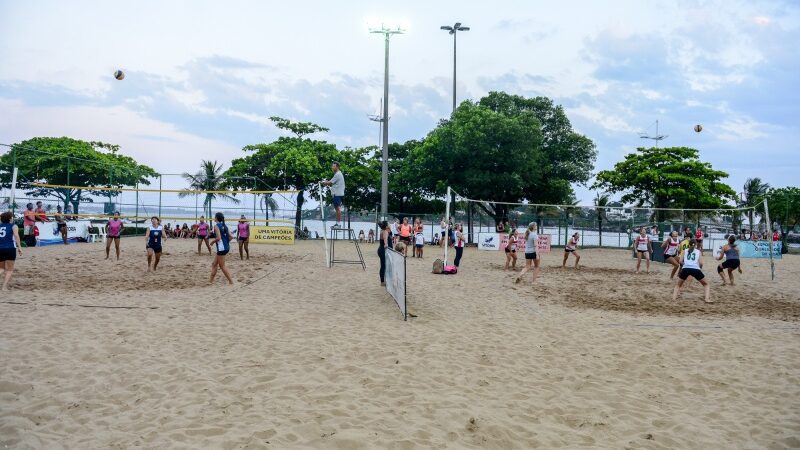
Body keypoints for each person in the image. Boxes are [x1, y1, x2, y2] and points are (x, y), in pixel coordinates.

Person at [673, 238, 712, 303]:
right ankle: (707, 299)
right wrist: (699, 269)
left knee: (678, 285)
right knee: (706, 284)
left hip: (685, 269)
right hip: (695, 269)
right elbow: (701, 263)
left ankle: (674, 299)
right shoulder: (698, 251)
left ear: (689, 244)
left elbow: (680, 261)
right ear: (696, 244)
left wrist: (685, 265)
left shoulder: (685, 251)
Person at [0, 211, 23, 291]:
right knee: (9, 269)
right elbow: (16, 236)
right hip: (10, 248)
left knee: (1, 268)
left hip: (0, 248)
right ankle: (4, 287)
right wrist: (19, 247)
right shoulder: (14, 226)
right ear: (10, 218)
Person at [210, 212, 234, 285]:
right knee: (214, 264)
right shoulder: (224, 225)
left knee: (222, 266)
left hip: (221, 248)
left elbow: (219, 238)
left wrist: (213, 242)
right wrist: (226, 242)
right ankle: (210, 281)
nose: (214, 218)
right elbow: (231, 236)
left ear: (216, 218)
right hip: (225, 247)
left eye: (215, 217)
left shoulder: (216, 226)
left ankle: (231, 282)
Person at [321, 162, 345, 227]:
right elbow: (331, 183)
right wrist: (326, 182)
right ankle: (337, 223)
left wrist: (322, 182)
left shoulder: (338, 174)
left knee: (337, 208)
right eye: (332, 166)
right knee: (337, 208)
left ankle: (339, 224)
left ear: (337, 167)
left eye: (333, 166)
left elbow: (329, 182)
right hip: (337, 193)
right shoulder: (337, 174)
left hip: (337, 194)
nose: (332, 167)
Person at [377, 220, 390, 286]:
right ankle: (382, 282)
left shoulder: (382, 230)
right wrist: (386, 244)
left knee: (383, 265)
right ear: (386, 225)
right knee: (383, 266)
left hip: (380, 249)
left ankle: (383, 280)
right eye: (388, 224)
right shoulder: (385, 232)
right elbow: (385, 241)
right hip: (382, 250)